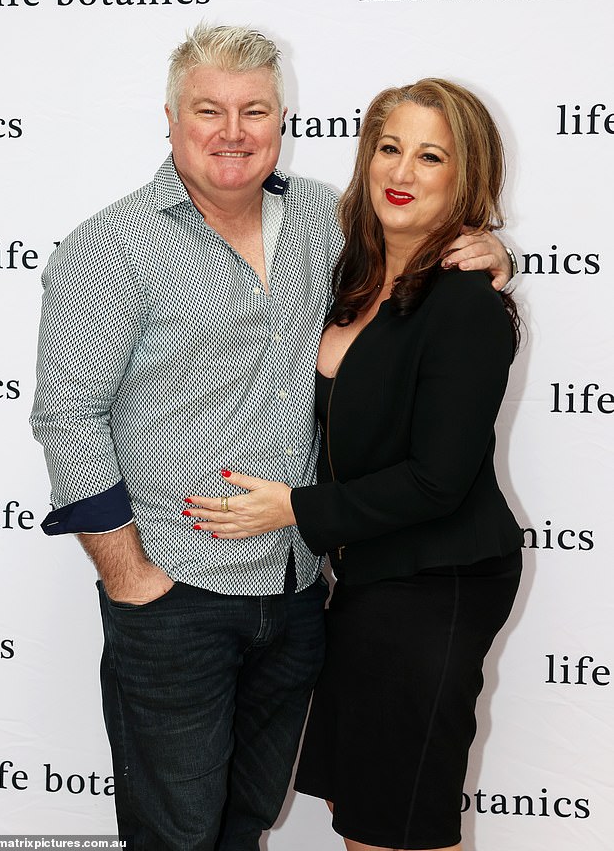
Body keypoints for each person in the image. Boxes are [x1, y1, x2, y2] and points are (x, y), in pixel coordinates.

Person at [30, 20, 514, 851]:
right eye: (208, 109)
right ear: (171, 118)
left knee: (246, 819)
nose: (231, 131)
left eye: (253, 110)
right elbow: (65, 415)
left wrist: (486, 251)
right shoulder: (110, 247)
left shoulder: (329, 226)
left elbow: (419, 277)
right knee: (176, 832)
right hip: (176, 594)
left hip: (296, 596)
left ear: (281, 119)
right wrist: (129, 576)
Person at [185, 78, 523, 851]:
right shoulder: (348, 273)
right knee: (358, 808)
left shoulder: (465, 302)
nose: (400, 173)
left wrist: (294, 510)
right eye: (388, 148)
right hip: (368, 581)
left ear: (464, 174)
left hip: (438, 582)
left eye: (429, 156)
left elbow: (438, 480)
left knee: (394, 821)